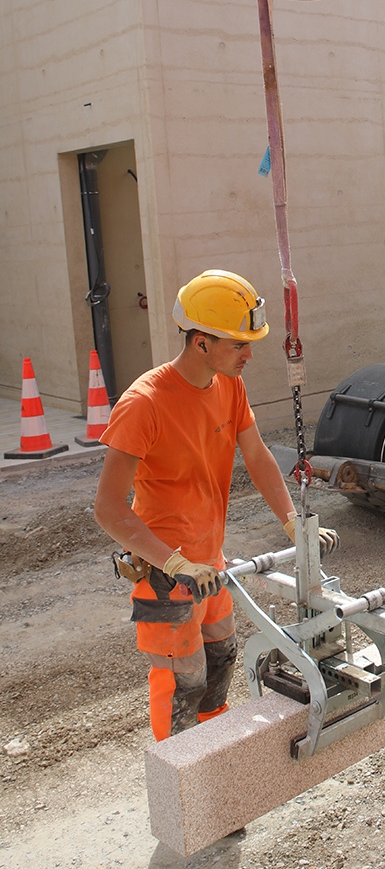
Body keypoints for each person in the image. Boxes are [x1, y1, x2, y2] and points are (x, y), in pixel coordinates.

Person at [95, 269, 335, 742]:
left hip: (209, 565)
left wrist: (292, 520)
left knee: (221, 661)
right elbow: (108, 508)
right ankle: (182, 780)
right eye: (239, 344)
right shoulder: (145, 403)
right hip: (166, 574)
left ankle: (215, 766)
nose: (249, 355)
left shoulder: (228, 384)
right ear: (201, 342)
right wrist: (174, 562)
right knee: (184, 683)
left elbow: (257, 456)